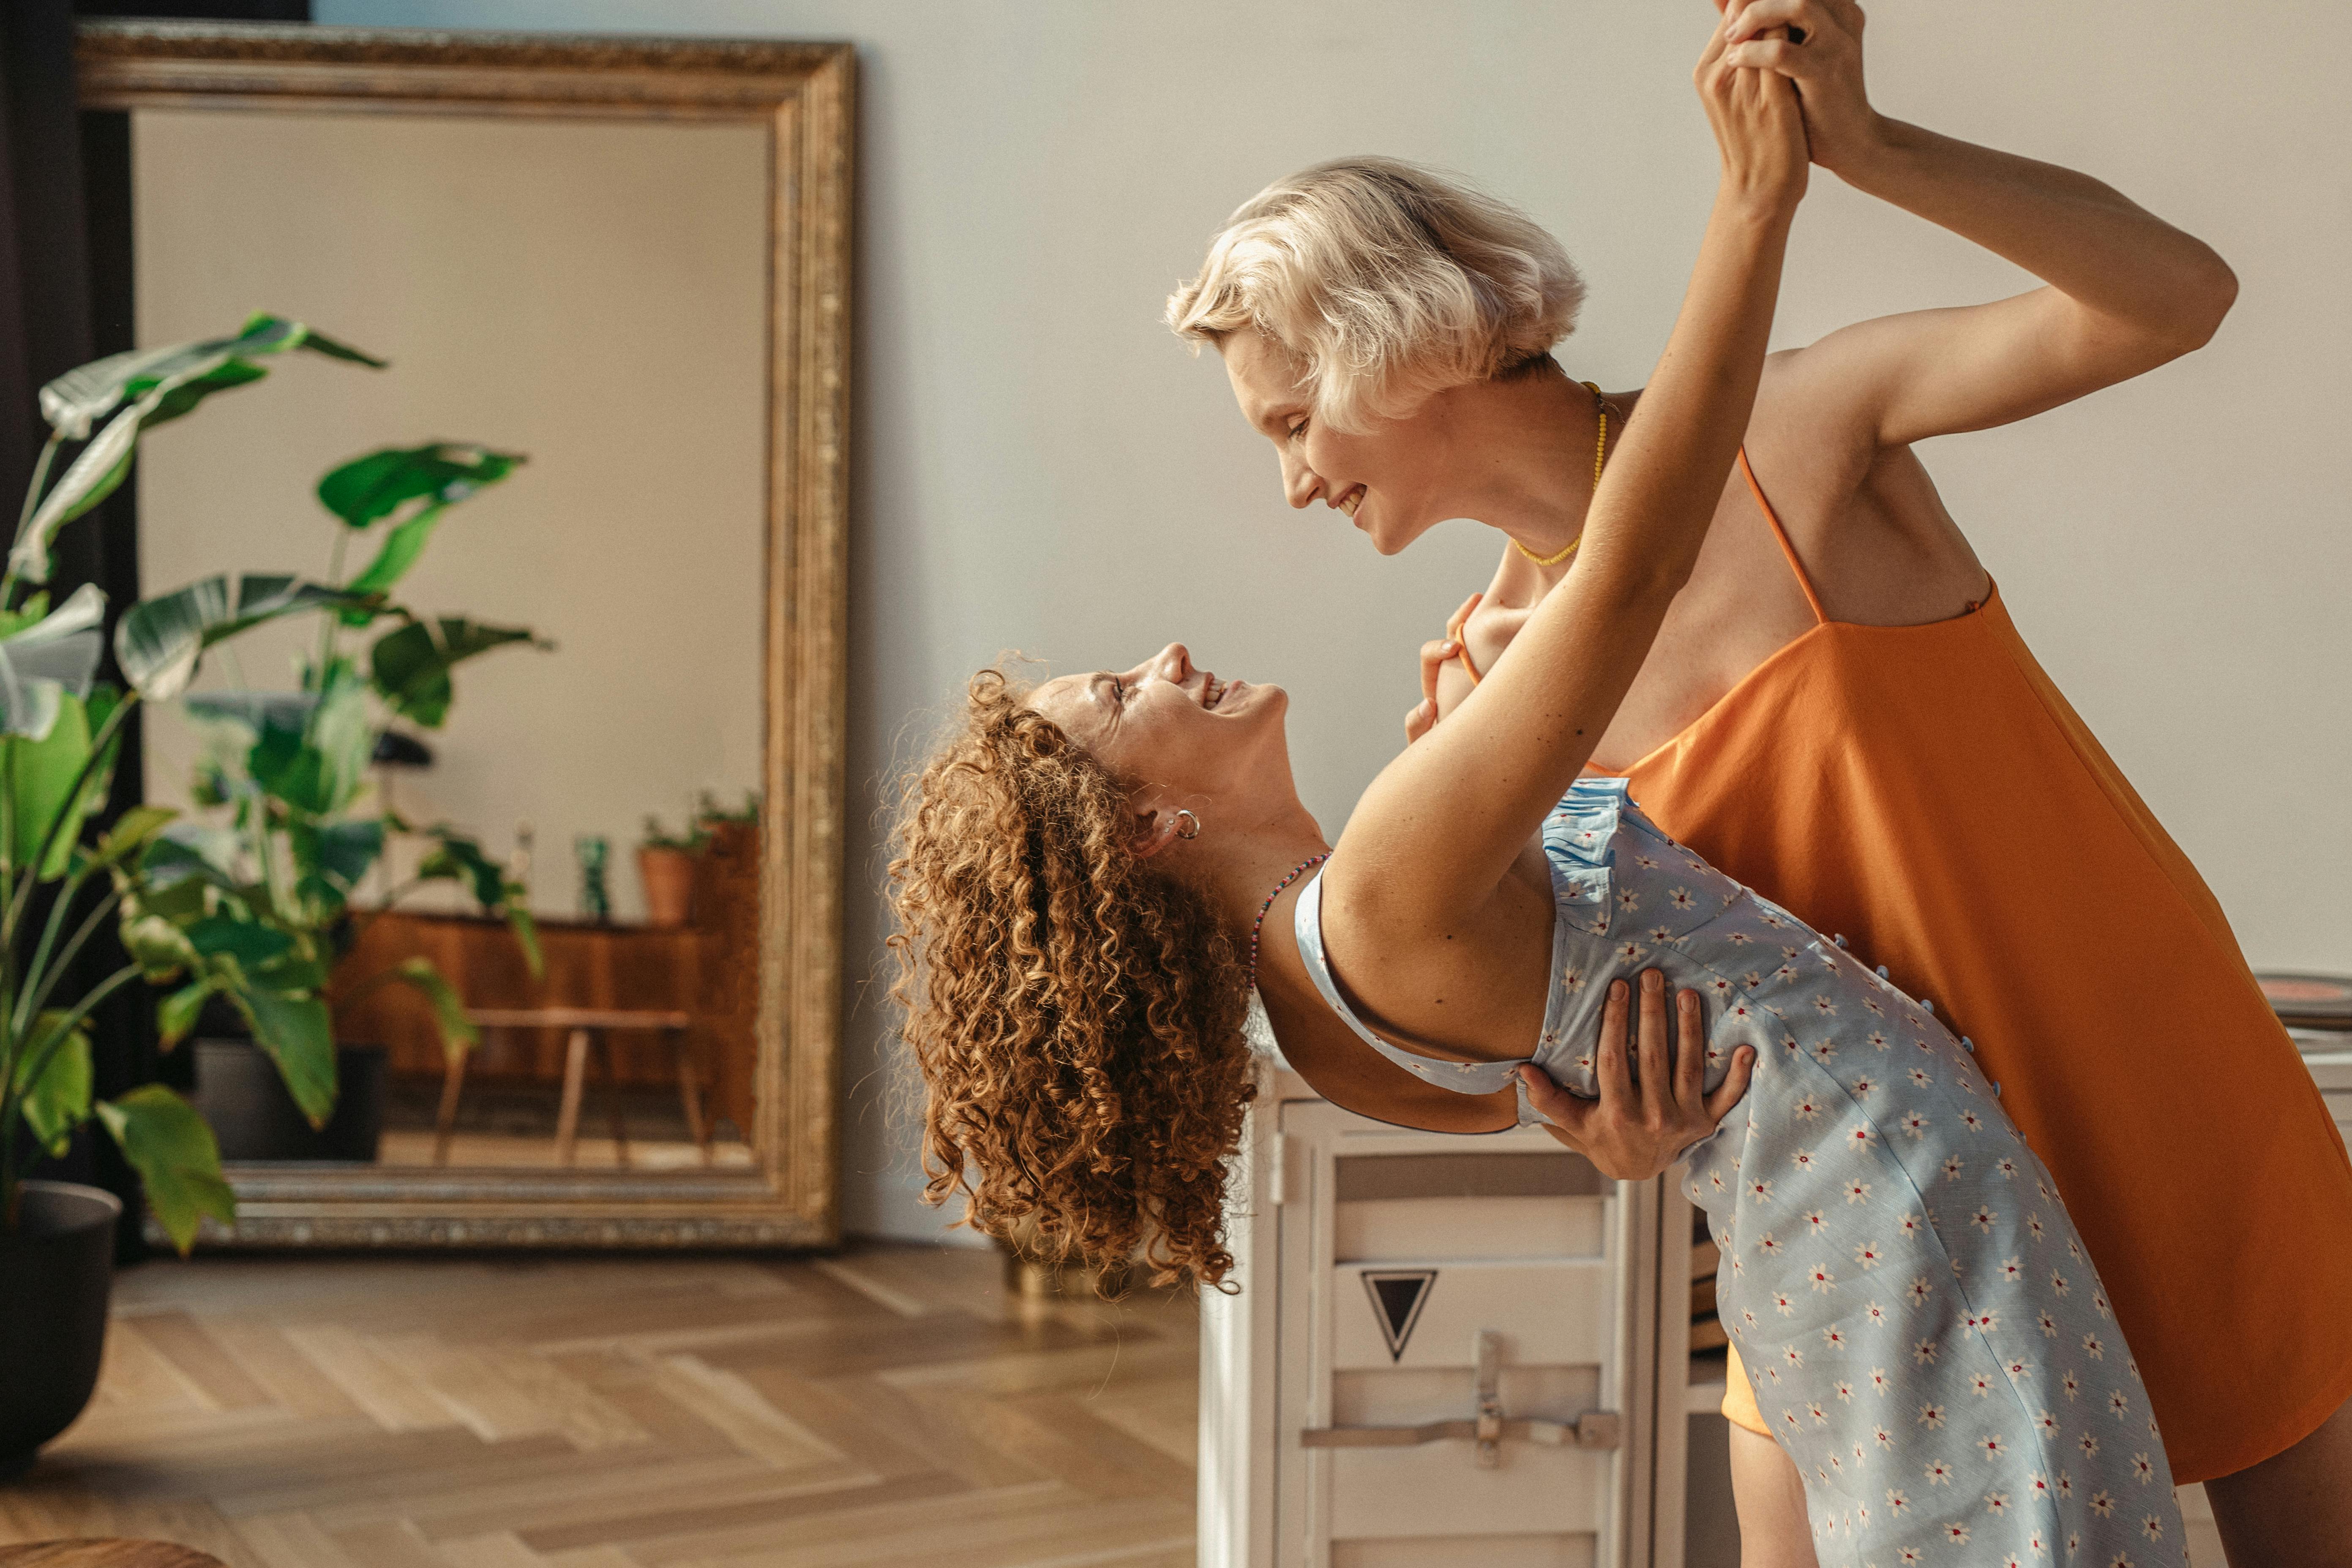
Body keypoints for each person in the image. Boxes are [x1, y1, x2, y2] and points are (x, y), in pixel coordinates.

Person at [892, 28, 2184, 1562]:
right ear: (1147, 831)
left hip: (1842, 1222)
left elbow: (1573, 1093)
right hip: (1899, 1209)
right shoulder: (1378, 882)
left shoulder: (1324, 989)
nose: (1162, 653)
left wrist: (1629, 1132)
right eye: (1121, 696)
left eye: (1297, 423)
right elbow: (1631, 570)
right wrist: (1754, 206)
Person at [1163, 4, 2352, 1562]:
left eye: (1291, 419)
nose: (1293, 478)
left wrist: (1865, 148)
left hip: (2143, 1084)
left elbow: (2179, 297)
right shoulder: (1474, 695)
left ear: (1403, 343)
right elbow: (1562, 1037)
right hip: (1866, 1221)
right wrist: (1613, 1132)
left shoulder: (1795, 432)